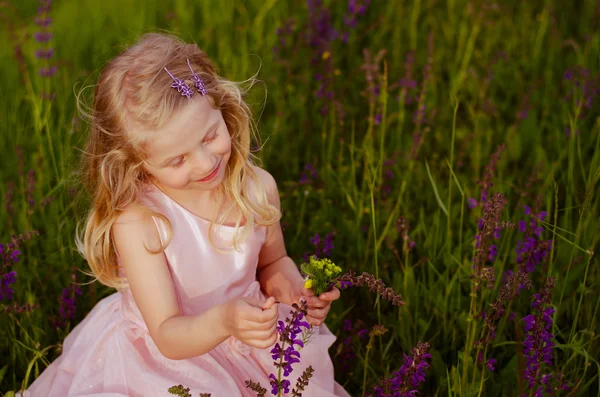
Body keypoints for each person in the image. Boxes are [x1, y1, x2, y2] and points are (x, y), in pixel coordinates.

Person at [18, 32, 350, 397]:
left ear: (221, 107)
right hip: (168, 359)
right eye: (177, 160)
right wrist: (225, 320)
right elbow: (166, 333)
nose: (206, 162)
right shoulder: (141, 223)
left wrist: (295, 293)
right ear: (136, 164)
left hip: (250, 334)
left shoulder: (257, 188)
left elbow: (272, 263)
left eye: (210, 136)